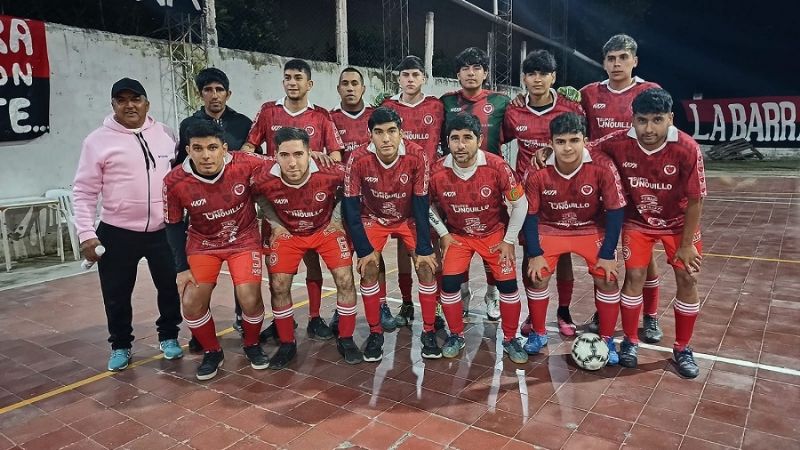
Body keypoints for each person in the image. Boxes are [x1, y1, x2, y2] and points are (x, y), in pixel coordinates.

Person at [590, 88, 706, 378]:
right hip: (637, 221)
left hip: (678, 223)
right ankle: (630, 341)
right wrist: (546, 152)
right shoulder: (618, 142)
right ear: (633, 120)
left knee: (687, 277)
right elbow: (587, 147)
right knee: (634, 277)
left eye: (657, 120)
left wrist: (687, 244)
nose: (649, 129)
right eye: (642, 120)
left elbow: (696, 199)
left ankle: (683, 348)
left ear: (670, 118)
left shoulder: (687, 147)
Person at [73, 78, 183, 372]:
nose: (129, 105)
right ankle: (120, 344)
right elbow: (84, 191)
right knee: (117, 294)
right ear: (113, 105)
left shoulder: (166, 134)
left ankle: (169, 336)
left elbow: (180, 180)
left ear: (147, 103)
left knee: (170, 288)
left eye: (135, 99)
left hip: (164, 230)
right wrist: (86, 233)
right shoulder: (97, 141)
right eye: (121, 100)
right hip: (117, 231)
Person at [243, 59, 344, 343]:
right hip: (277, 201)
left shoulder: (321, 116)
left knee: (312, 260)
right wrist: (271, 164)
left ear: (309, 84)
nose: (292, 82)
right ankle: (281, 322)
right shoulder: (268, 111)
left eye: (298, 77)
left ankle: (314, 317)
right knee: (276, 269)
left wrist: (314, 157)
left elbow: (335, 157)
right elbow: (248, 148)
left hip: (311, 200)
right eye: (287, 77)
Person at [163, 121, 270, 381]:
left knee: (249, 298)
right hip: (203, 243)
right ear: (188, 150)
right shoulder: (174, 181)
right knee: (191, 302)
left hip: (243, 239)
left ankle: (252, 343)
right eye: (198, 149)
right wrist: (181, 267)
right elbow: (173, 225)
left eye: (212, 148)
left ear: (224, 148)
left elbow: (282, 163)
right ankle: (212, 351)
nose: (206, 155)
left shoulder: (245, 162)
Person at [251, 127, 363, 368]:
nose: (292, 162)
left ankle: (346, 338)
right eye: (284, 155)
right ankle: (287, 343)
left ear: (310, 152)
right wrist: (275, 223)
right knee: (279, 285)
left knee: (345, 279)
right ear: (275, 155)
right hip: (289, 233)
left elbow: (352, 185)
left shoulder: (330, 171)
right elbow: (256, 195)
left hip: (324, 230)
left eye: (298, 154)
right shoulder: (263, 176)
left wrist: (336, 218)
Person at [579, 34, 665, 342]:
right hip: (600, 185)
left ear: (635, 61)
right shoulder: (589, 93)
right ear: (603, 63)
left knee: (642, 257)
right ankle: (602, 312)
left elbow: (662, 133)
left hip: (639, 185)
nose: (617, 64)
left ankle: (650, 316)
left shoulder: (649, 91)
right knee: (601, 252)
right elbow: (574, 126)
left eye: (623, 58)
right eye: (611, 58)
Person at [521, 112, 625, 363]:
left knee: (608, 278)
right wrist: (534, 253)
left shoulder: (602, 165)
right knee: (536, 275)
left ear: (585, 141)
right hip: (550, 227)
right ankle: (538, 333)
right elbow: (529, 214)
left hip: (589, 228)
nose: (567, 148)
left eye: (574, 140)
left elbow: (615, 211)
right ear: (550, 143)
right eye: (561, 141)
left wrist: (608, 253)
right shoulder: (536, 170)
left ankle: (607, 340)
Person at [428, 112, 528, 364]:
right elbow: (424, 205)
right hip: (458, 236)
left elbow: (521, 203)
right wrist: (443, 233)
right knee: (449, 284)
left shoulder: (497, 166)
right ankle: (456, 335)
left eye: (467, 138)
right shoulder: (436, 171)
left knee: (508, 286)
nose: (460, 145)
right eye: (455, 139)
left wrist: (509, 240)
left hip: (493, 234)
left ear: (479, 140)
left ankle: (510, 338)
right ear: (447, 142)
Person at [343, 107, 439, 360]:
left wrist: (424, 248)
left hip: (408, 217)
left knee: (426, 266)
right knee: (368, 267)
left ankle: (429, 330)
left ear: (401, 133)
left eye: (391, 131)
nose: (386, 138)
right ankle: (375, 332)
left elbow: (421, 202)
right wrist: (363, 251)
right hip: (373, 217)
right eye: (379, 132)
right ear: (370, 135)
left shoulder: (417, 155)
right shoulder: (357, 158)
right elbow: (351, 208)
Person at [502, 50, 585, 336]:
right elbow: (495, 141)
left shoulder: (570, 108)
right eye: (531, 74)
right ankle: (532, 313)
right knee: (531, 252)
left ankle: (564, 311)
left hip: (564, 192)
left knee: (563, 253)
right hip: (528, 196)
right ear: (524, 78)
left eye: (543, 74)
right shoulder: (513, 111)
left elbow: (585, 144)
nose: (537, 79)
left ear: (554, 77)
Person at [174, 68, 254, 347]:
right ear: (201, 94)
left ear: (228, 93)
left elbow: (254, 160)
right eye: (208, 90)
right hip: (203, 219)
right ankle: (202, 334)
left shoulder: (243, 123)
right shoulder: (189, 125)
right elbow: (180, 167)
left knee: (244, 280)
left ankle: (243, 319)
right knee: (199, 282)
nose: (214, 95)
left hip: (237, 213)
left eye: (219, 89)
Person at [440, 47, 510, 321]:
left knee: (492, 240)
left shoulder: (501, 102)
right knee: (460, 241)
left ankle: (492, 295)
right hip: (454, 182)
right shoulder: (445, 102)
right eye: (465, 68)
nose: (471, 73)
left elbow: (518, 131)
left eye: (477, 67)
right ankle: (464, 293)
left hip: (490, 184)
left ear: (485, 73)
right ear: (457, 74)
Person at [381, 55, 446, 328]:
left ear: (424, 78)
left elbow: (445, 142)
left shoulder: (436, 106)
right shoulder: (388, 106)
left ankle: (438, 304)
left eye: (415, 75)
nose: (410, 79)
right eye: (405, 74)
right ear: (398, 78)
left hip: (429, 188)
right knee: (403, 246)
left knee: (431, 244)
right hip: (397, 187)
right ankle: (407, 303)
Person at [330, 67, 373, 163]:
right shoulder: (329, 119)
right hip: (342, 172)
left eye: (354, 83)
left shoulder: (375, 115)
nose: (350, 88)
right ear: (338, 89)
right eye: (345, 84)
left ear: (363, 89)